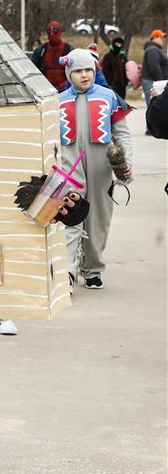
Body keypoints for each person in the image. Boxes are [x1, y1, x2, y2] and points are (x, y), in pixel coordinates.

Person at [58, 48, 133, 292]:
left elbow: (122, 134)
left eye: (88, 70)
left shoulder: (108, 96)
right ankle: (68, 271)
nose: (84, 75)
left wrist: (126, 162)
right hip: (70, 166)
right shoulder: (58, 100)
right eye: (78, 71)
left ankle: (92, 269)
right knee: (71, 215)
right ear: (69, 72)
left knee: (99, 220)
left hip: (102, 168)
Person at [31, 21, 73, 90]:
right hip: (45, 89)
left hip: (65, 89)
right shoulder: (41, 50)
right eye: (49, 31)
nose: (52, 34)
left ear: (60, 32)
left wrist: (65, 85)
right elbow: (33, 70)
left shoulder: (69, 50)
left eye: (55, 31)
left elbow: (76, 71)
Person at [142, 29, 168, 106]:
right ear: (154, 38)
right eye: (161, 37)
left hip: (154, 82)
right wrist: (161, 82)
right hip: (152, 82)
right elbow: (154, 67)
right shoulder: (152, 50)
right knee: (154, 106)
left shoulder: (156, 49)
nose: (163, 40)